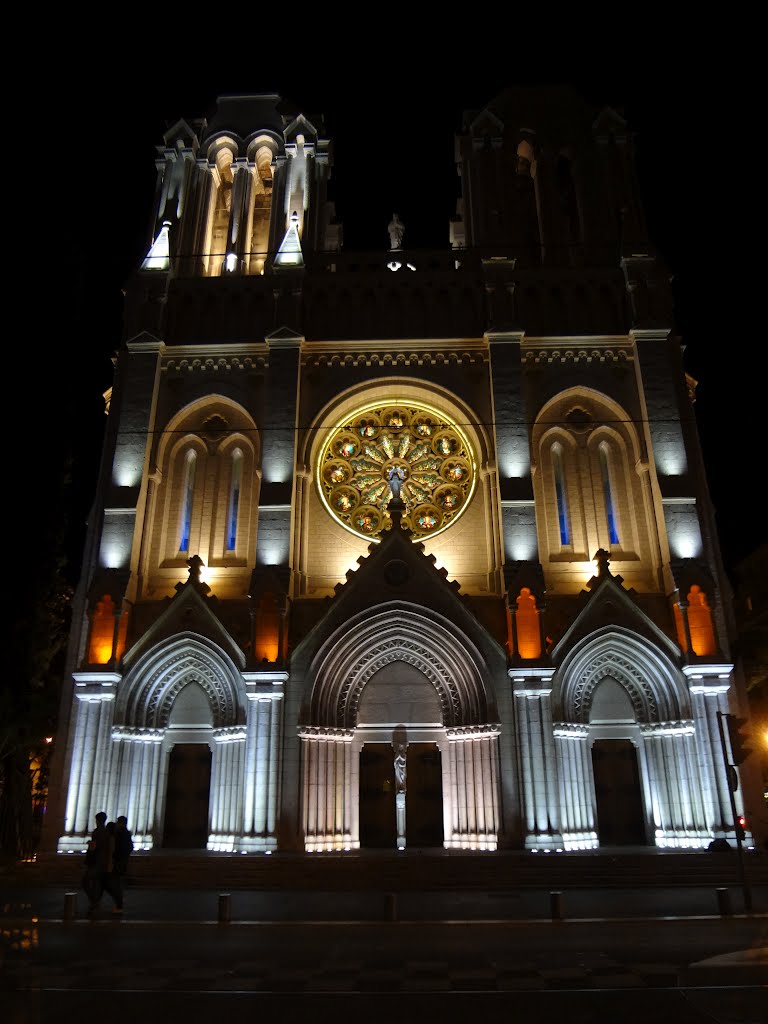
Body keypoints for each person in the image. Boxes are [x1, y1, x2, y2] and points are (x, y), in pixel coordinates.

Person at [82, 811, 114, 913]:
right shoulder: (107, 832)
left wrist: (90, 845)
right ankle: (95, 901)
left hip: (96, 861)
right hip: (103, 861)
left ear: (97, 820)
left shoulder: (97, 832)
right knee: (97, 882)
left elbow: (94, 847)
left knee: (87, 881)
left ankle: (94, 901)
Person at [110, 815, 134, 914]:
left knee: (115, 884)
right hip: (122, 861)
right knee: (117, 882)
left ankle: (118, 904)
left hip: (118, 862)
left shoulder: (119, 834)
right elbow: (130, 847)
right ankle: (118, 904)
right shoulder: (126, 833)